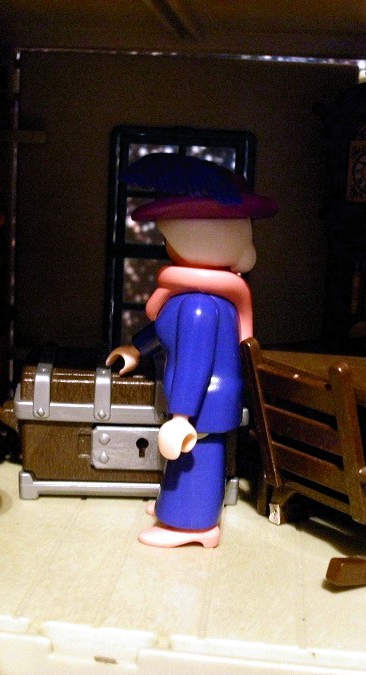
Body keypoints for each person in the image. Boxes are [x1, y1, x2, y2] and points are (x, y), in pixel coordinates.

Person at [107, 154, 277, 548]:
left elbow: (193, 364)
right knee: (188, 460)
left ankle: (192, 525)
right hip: (210, 397)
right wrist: (137, 348)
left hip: (202, 399)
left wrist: (182, 414)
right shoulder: (201, 297)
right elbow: (165, 331)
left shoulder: (199, 304)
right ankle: (174, 506)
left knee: (197, 460)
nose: (167, 248)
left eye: (169, 239)